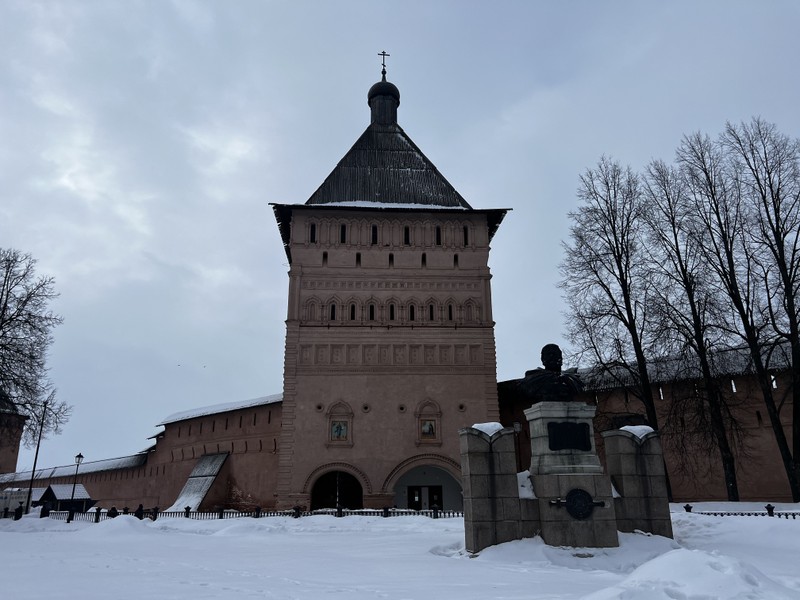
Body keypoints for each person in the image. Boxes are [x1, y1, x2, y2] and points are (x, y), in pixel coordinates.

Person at [518, 344, 584, 403]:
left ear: (561, 358)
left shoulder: (572, 378)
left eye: (555, 354)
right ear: (543, 359)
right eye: (549, 354)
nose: (552, 357)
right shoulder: (534, 377)